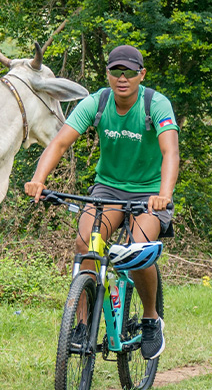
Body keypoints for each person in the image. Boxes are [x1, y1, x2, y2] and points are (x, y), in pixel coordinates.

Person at [25, 44, 180, 360]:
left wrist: (164, 194)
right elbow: (60, 142)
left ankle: (150, 318)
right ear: (107, 74)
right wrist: (39, 179)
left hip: (148, 194)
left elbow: (170, 153)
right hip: (107, 191)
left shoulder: (156, 105)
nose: (122, 78)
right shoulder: (96, 103)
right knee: (85, 245)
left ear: (141, 75)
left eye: (129, 72)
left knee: (137, 252)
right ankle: (82, 326)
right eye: (116, 72)